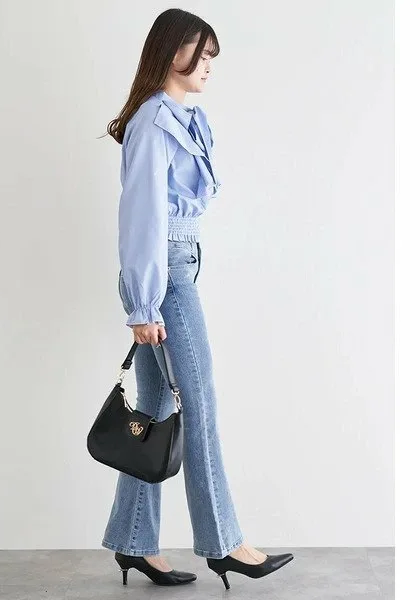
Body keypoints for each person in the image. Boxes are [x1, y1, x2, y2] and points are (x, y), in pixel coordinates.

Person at [100, 8, 294, 589]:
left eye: (212, 55)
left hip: (181, 263)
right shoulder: (153, 122)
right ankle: (224, 542)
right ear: (171, 51)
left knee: (157, 407)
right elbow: (141, 218)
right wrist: (143, 306)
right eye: (200, 53)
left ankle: (134, 542)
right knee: (199, 400)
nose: (209, 64)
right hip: (166, 274)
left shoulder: (184, 117)